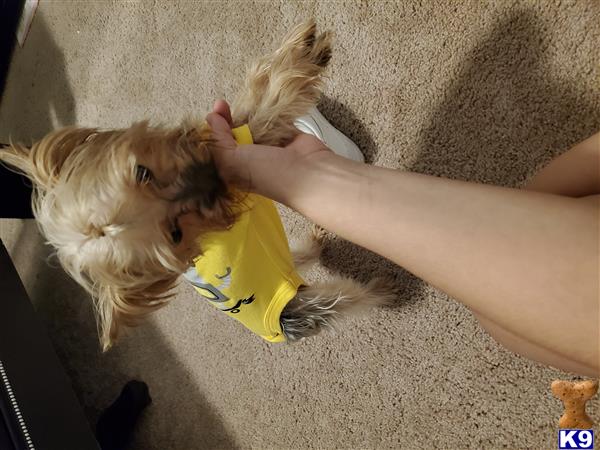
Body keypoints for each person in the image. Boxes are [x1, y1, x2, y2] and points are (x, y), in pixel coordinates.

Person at [205, 100, 599, 377]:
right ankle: (322, 175)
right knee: (503, 314)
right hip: (282, 315)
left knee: (502, 308)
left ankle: (321, 172)